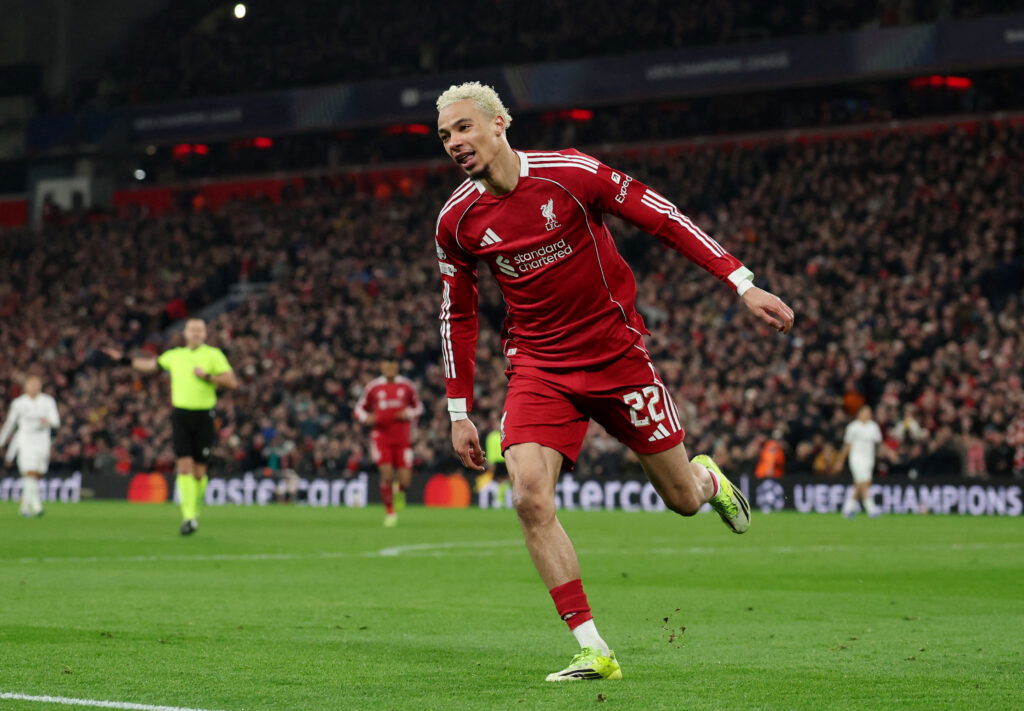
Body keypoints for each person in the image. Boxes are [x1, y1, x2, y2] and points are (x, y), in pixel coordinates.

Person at [433, 82, 795, 681]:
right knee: (528, 496)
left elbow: (665, 219)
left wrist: (741, 283)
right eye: (445, 135)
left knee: (682, 500)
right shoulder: (456, 220)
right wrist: (457, 411)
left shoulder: (571, 174)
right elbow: (458, 313)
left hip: (616, 356)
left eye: (464, 127)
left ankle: (707, 480)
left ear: (500, 124)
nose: (454, 142)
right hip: (539, 365)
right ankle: (592, 647)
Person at [104, 318, 238, 534]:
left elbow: (232, 382)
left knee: (199, 472)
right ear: (185, 333)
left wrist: (208, 376)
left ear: (205, 334)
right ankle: (188, 517)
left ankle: (194, 511)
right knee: (183, 466)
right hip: (181, 415)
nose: (196, 333)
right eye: (192, 329)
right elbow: (150, 365)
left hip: (204, 416)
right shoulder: (174, 355)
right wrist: (123, 360)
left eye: (200, 330)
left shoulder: (213, 355)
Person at [353, 358, 423, 527]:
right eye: (386, 365)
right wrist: (366, 418)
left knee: (405, 480)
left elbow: (419, 408)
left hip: (403, 439)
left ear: (397, 366)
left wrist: (408, 413)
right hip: (381, 437)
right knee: (386, 475)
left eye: (392, 365)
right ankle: (390, 512)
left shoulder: (407, 386)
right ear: (382, 367)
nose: (389, 368)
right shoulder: (373, 387)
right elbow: (358, 409)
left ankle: (399, 491)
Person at [0, 375, 60, 517]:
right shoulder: (19, 403)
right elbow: (10, 424)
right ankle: (36, 506)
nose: (34, 387)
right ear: (25, 387)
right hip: (26, 440)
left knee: (37, 474)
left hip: (42, 440)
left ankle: (25, 506)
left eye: (37, 384)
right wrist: (1, 441)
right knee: (30, 472)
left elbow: (56, 422)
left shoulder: (47, 401)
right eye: (31, 384)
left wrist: (47, 421)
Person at [833, 405, 883, 518]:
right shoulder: (853, 427)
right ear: (859, 413)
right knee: (863, 483)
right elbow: (847, 445)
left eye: (869, 413)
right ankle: (871, 508)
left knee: (862, 484)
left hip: (869, 459)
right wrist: (840, 460)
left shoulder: (873, 427)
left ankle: (848, 508)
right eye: (865, 412)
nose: (867, 415)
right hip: (856, 458)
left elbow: (878, 443)